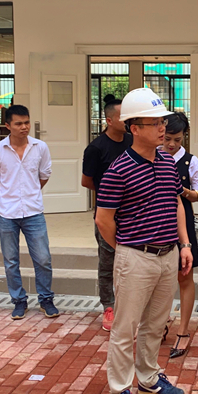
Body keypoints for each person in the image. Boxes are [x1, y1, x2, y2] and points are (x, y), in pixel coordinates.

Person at [96, 87, 194, 394]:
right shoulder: (119, 169)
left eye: (162, 122)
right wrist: (127, 247)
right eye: (154, 123)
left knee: (156, 323)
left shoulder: (167, 162)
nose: (162, 128)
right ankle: (120, 389)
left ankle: (149, 377)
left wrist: (184, 244)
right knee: (125, 328)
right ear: (134, 128)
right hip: (135, 257)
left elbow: (176, 202)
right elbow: (103, 219)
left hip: (169, 254)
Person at [0, 105, 58, 320]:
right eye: (18, 123)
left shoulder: (40, 147)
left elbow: (44, 174)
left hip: (33, 211)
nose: (24, 127)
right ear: (7, 126)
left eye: (26, 122)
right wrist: (9, 197)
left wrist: (29, 193)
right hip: (7, 214)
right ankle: (19, 301)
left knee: (43, 259)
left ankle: (46, 299)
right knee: (11, 261)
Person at [82, 98, 131, 331]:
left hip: (132, 213)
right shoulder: (96, 148)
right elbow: (86, 181)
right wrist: (110, 195)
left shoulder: (132, 141)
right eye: (122, 116)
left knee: (131, 260)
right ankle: (108, 306)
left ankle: (129, 305)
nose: (127, 120)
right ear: (109, 120)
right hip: (107, 214)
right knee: (108, 261)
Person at [160, 112, 198, 358]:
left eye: (177, 139)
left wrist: (181, 190)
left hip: (182, 219)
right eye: (167, 138)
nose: (171, 144)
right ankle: (161, 323)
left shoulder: (189, 161)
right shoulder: (152, 156)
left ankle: (183, 331)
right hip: (156, 221)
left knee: (184, 277)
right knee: (159, 278)